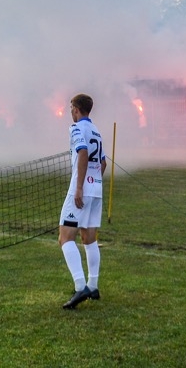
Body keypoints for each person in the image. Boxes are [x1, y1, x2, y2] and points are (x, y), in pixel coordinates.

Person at [59, 93, 107, 310]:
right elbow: (103, 162)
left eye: (71, 108)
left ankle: (80, 287)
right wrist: (94, 180)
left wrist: (79, 187)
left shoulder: (76, 128)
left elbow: (83, 152)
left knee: (65, 237)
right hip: (96, 188)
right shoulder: (96, 130)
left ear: (77, 110)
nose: (71, 112)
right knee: (88, 238)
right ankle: (93, 285)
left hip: (82, 188)